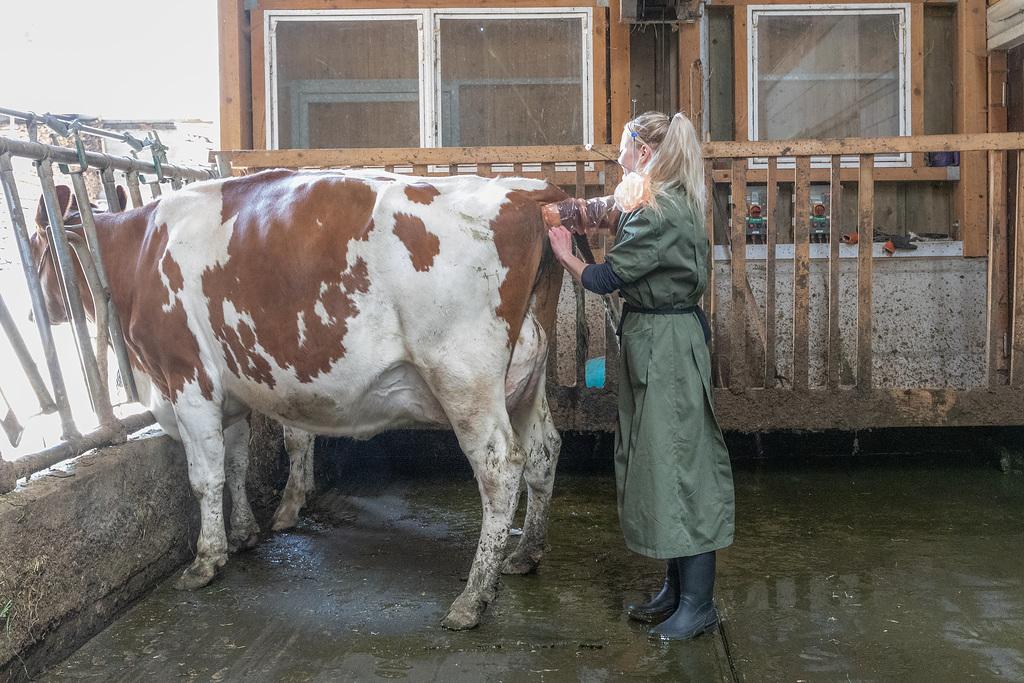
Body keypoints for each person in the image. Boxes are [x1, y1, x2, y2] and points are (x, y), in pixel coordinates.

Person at [546, 111, 735, 641]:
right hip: (656, 338)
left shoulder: (660, 210)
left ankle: (698, 605)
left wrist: (565, 253)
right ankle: (675, 593)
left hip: (667, 345)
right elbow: (622, 215)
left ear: (645, 154)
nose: (619, 156)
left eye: (624, 148)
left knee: (681, 470)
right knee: (660, 464)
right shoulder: (664, 198)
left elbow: (608, 276)